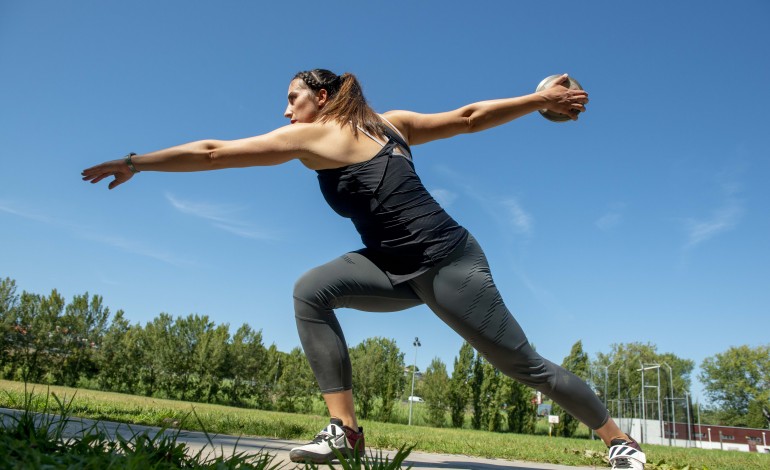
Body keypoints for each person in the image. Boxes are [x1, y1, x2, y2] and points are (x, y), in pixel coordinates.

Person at [82, 69, 646, 470]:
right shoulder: (388, 123)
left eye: (292, 98)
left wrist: (136, 161)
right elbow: (470, 119)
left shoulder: (335, 131)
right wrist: (537, 96)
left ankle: (620, 442)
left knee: (525, 368)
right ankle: (345, 432)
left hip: (448, 262)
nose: (285, 112)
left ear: (321, 98)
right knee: (311, 291)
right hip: (391, 266)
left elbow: (212, 152)